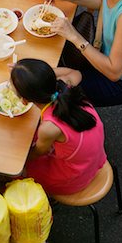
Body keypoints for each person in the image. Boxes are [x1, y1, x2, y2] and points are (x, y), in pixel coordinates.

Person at [10, 59, 107, 195]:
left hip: (77, 174)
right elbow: (76, 72)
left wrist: (15, 159)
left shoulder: (49, 128)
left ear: (24, 101)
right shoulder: (66, 85)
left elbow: (38, 153)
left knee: (13, 170)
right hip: (94, 155)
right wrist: (37, 76)